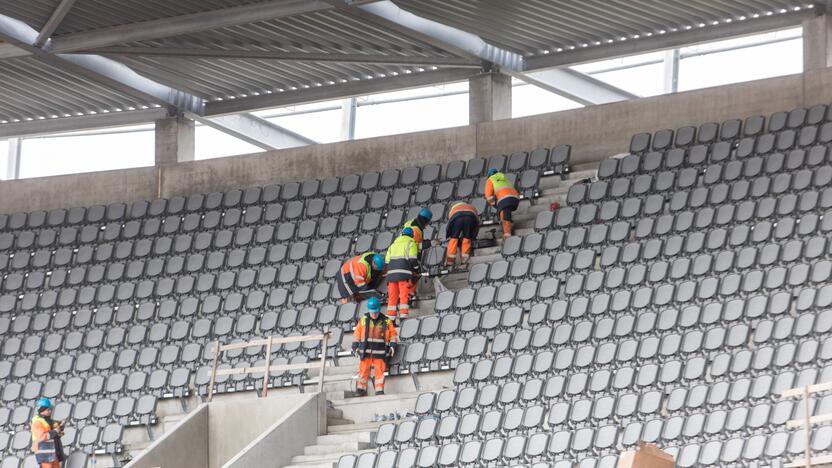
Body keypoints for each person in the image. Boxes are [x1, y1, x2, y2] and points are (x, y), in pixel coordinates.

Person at [351, 296, 398, 396]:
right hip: (365, 351)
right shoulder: (363, 319)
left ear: (379, 310)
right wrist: (355, 345)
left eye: (376, 312)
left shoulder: (386, 321)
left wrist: (393, 345)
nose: (374, 314)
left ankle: (379, 390)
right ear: (369, 310)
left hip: (380, 352)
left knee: (379, 372)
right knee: (363, 371)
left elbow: (393, 334)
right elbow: (357, 333)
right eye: (372, 312)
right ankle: (361, 389)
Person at [385, 227, 420, 320]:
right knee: (404, 296)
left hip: (391, 275)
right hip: (404, 274)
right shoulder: (411, 243)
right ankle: (403, 317)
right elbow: (413, 259)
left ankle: (391, 319)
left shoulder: (393, 245)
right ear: (412, 235)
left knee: (392, 297)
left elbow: (387, 261)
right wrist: (417, 269)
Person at [484, 168, 520, 239]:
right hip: (515, 198)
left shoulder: (490, 179)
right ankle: (507, 227)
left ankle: (507, 235)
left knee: (504, 217)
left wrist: (496, 205)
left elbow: (488, 197)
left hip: (504, 198)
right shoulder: (504, 178)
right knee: (505, 210)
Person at [30, 397, 65, 468]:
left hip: (53, 454)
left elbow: (57, 435)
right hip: (45, 455)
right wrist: (55, 431)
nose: (50, 411)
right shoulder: (37, 422)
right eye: (48, 409)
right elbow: (42, 437)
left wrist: (60, 428)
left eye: (50, 409)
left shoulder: (50, 421)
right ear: (41, 410)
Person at [445, 201, 480, 266]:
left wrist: (448, 235)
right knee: (467, 238)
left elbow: (450, 224)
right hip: (470, 217)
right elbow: (477, 224)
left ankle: (450, 262)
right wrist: (473, 236)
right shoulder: (472, 207)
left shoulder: (452, 210)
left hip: (457, 218)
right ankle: (465, 260)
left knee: (454, 239)